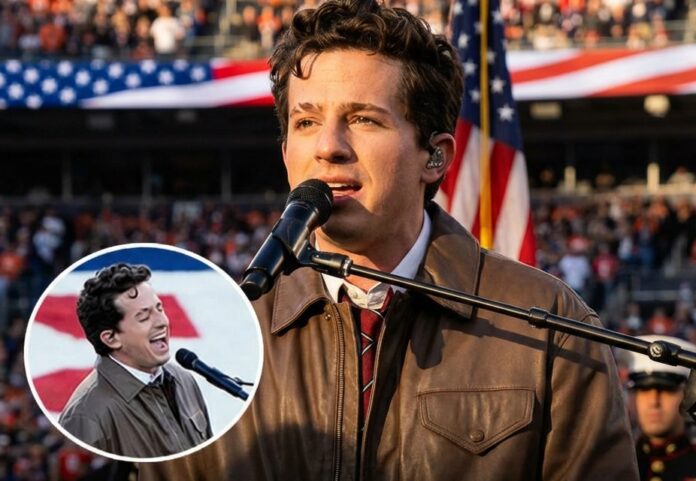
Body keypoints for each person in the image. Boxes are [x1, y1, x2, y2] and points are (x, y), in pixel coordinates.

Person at [140, 0, 638, 479]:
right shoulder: (217, 337)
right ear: (286, 150)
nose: (328, 147)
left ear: (435, 157)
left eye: (363, 119)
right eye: (306, 122)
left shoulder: (550, 325)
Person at [58, 263, 212, 458]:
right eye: (144, 317)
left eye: (159, 309)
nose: (162, 322)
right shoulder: (85, 416)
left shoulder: (184, 379)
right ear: (111, 338)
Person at [626, 335, 696, 481]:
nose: (654, 401)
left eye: (667, 390)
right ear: (632, 398)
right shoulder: (616, 464)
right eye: (644, 390)